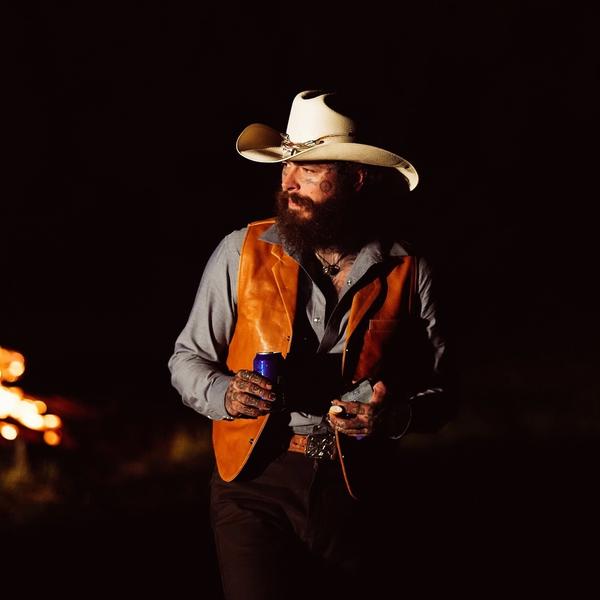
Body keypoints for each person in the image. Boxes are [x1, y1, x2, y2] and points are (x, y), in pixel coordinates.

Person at [168, 90, 457, 599]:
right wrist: (225, 394)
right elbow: (186, 359)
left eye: (309, 168)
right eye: (286, 167)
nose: (289, 181)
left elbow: (443, 390)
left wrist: (395, 418)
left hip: (357, 487)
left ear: (355, 178)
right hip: (254, 477)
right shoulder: (242, 250)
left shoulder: (409, 272)